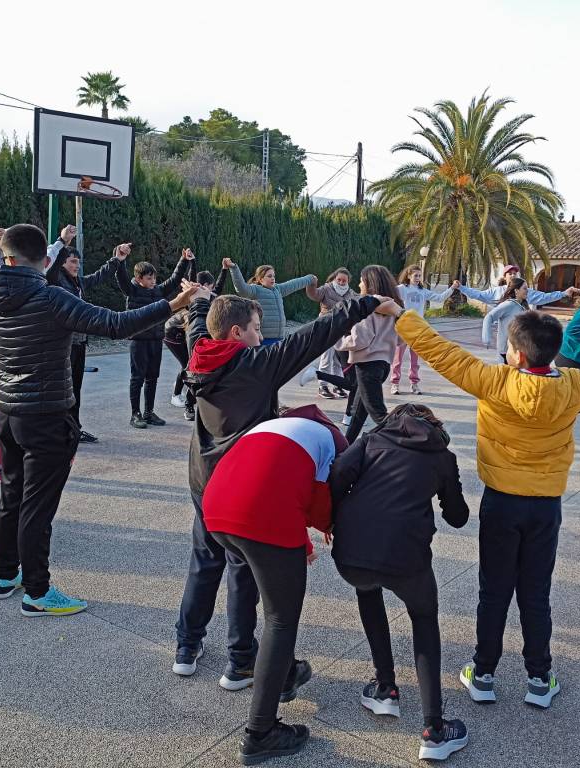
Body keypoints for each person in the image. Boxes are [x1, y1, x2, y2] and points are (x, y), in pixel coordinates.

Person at [374, 301, 580, 710]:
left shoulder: (493, 380)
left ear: (517, 354)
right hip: (545, 507)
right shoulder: (576, 385)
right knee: (536, 593)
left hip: (501, 503)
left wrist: (401, 315)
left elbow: (441, 351)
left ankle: (483, 673)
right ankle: (538, 677)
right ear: (553, 350)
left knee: (494, 591)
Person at [174, 282, 397, 759]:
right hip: (244, 479)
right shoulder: (254, 365)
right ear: (238, 333)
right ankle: (242, 666)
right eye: (256, 329)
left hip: (203, 480)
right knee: (251, 582)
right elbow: (313, 337)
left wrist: (198, 299)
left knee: (204, 561)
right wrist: (365, 304)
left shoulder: (200, 355)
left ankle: (187, 647)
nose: (262, 336)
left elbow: (197, 323)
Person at [0, 224, 186, 616]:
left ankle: (5, 574)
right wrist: (176, 303)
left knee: (12, 496)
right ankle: (37, 591)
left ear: (6, 258)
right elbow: (116, 324)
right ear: (44, 261)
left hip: (7, 416)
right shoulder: (51, 298)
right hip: (46, 417)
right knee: (37, 507)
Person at [202, 405, 344, 765]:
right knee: (281, 620)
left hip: (216, 509)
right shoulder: (331, 439)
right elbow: (319, 504)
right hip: (261, 515)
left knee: (255, 587)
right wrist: (329, 527)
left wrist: (301, 543)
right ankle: (260, 734)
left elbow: (281, 484)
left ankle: (282, 674)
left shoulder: (274, 426)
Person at [330, 404, 470, 761]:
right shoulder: (441, 456)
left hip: (352, 554)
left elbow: (337, 475)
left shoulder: (370, 440)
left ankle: (385, 688)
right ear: (434, 426)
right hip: (406, 558)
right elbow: (457, 517)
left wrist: (336, 517)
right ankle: (434, 730)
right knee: (423, 619)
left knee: (367, 590)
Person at [44, 237, 124, 443]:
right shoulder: (56, 281)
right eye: (72, 261)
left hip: (79, 343)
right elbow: (50, 268)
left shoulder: (77, 282)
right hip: (64, 346)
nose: (77, 266)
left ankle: (74, 429)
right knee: (65, 390)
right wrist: (62, 242)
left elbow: (98, 277)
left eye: (78, 262)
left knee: (75, 389)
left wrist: (116, 259)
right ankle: (62, 431)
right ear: (62, 262)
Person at [115, 248, 195, 429]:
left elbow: (174, 279)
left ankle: (149, 412)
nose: (153, 281)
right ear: (139, 279)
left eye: (154, 278)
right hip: (138, 341)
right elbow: (121, 278)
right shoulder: (132, 291)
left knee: (152, 377)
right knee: (137, 378)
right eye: (149, 278)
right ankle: (135, 414)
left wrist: (183, 260)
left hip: (156, 340)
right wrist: (120, 260)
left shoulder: (159, 290)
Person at [337, 265, 403, 443]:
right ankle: (346, 446)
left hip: (367, 366)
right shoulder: (394, 306)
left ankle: (408, 444)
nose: (359, 285)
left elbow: (359, 340)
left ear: (370, 283)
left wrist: (338, 342)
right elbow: (401, 339)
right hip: (383, 365)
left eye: (361, 281)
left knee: (379, 416)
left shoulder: (367, 306)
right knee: (359, 413)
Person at [166, 265, 226, 421]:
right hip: (173, 333)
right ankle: (177, 396)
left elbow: (218, 288)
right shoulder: (193, 299)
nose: (213, 290)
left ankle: (187, 395)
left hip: (185, 332)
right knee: (189, 366)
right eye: (211, 287)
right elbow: (192, 279)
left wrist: (224, 269)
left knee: (194, 366)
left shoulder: (207, 297)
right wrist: (191, 262)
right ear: (204, 286)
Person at [391, 266, 456, 395]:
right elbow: (390, 297)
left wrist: (452, 288)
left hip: (418, 329)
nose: (418, 278)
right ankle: (395, 384)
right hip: (404, 328)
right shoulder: (402, 289)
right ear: (408, 276)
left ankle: (414, 384)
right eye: (415, 275)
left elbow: (439, 298)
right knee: (398, 359)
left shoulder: (423, 291)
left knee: (415, 360)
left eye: (420, 276)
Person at [226, 258, 318, 344]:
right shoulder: (255, 290)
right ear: (261, 279)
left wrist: (310, 278)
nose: (273, 278)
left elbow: (294, 284)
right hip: (263, 339)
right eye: (269, 276)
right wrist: (234, 268)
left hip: (279, 338)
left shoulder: (278, 289)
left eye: (273, 276)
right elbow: (241, 288)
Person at [482, 277, 566, 363]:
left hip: (519, 352)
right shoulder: (508, 304)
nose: (527, 291)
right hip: (506, 353)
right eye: (525, 288)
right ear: (516, 290)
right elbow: (489, 317)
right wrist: (486, 339)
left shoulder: (523, 306)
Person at [306, 268, 358, 399]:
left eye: (344, 281)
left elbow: (359, 301)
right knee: (326, 356)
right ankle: (322, 386)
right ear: (334, 278)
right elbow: (314, 294)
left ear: (348, 282)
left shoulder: (350, 293)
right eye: (339, 279)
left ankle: (337, 384)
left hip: (342, 329)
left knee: (338, 358)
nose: (341, 282)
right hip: (327, 326)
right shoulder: (326, 289)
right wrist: (310, 284)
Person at [457, 264, 580, 308]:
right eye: (509, 273)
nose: (512, 275)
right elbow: (478, 294)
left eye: (514, 273)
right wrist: (461, 287)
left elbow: (544, 297)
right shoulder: (496, 292)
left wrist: (563, 293)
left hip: (518, 330)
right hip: (501, 330)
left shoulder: (525, 291)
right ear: (504, 276)